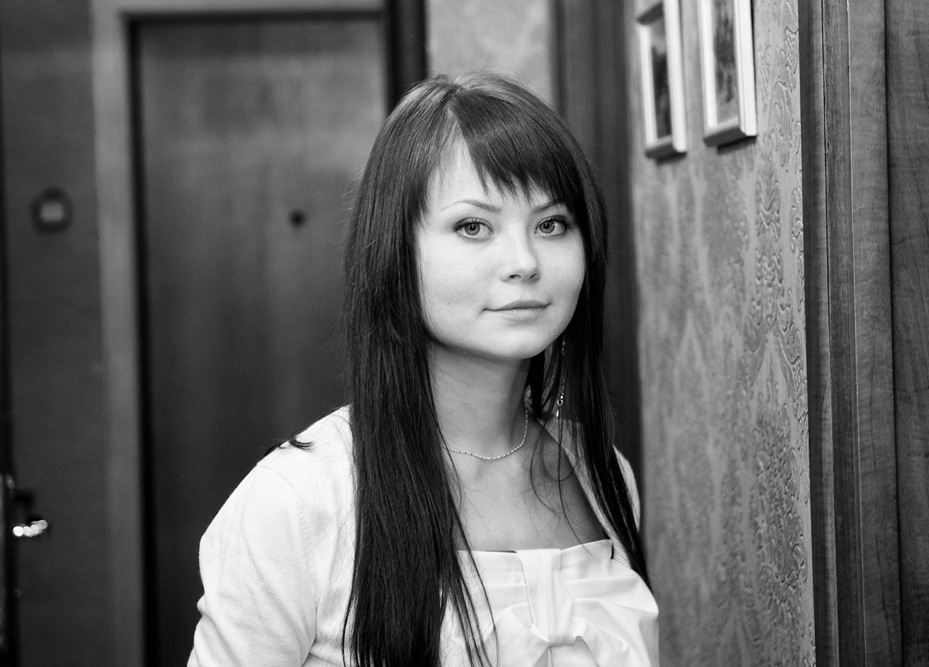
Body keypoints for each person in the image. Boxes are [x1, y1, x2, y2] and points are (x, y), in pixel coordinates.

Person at [188, 72, 659, 666]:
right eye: (473, 226)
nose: (524, 262)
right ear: (396, 251)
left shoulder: (600, 470)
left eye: (551, 225)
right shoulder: (301, 500)